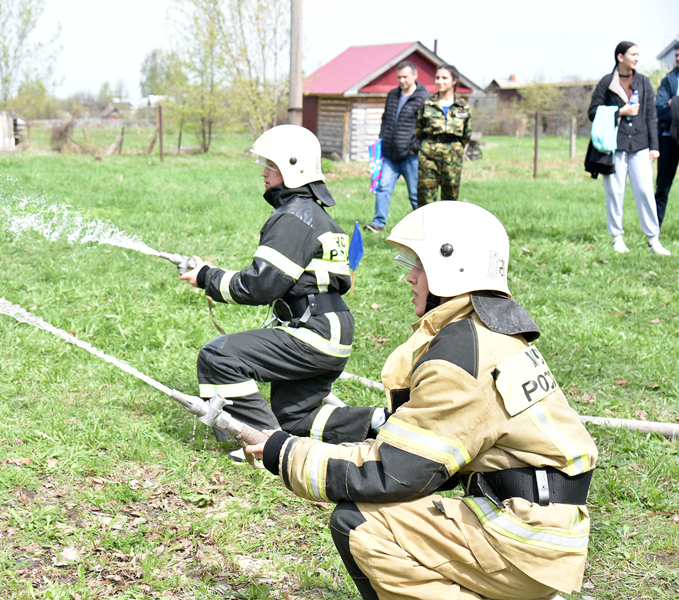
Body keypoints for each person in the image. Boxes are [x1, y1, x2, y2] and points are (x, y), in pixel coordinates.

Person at [246, 202, 598, 600]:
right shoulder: (492, 335)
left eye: (420, 266)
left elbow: (395, 473)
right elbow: (426, 461)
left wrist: (286, 452)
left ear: (454, 268)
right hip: (542, 531)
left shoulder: (462, 356)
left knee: (360, 523)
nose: (410, 278)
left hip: (523, 540)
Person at [180, 125, 378, 459]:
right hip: (331, 329)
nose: (264, 172)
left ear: (292, 167)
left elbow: (261, 285)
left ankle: (261, 445)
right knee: (295, 417)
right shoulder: (316, 216)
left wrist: (207, 277)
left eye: (270, 165)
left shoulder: (294, 217)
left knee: (219, 356)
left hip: (313, 332)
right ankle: (376, 423)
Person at [588, 41, 669, 255]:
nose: (637, 58)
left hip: (641, 145)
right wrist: (620, 112)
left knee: (645, 192)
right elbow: (592, 112)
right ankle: (617, 238)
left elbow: (651, 115)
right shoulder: (607, 82)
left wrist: (655, 146)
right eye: (633, 54)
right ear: (620, 57)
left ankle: (653, 239)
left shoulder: (643, 82)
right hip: (615, 147)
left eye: (638, 54)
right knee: (615, 192)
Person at [366, 61, 430, 233]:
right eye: (399, 77)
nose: (402, 80)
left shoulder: (423, 97)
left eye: (405, 77)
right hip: (390, 154)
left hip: (410, 156)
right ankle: (378, 223)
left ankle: (423, 227)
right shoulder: (393, 95)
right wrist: (382, 140)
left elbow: (426, 127)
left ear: (415, 76)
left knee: (415, 193)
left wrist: (414, 148)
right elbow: (386, 119)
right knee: (383, 187)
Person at [416, 64, 471, 205]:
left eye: (444, 78)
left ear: (454, 81)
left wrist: (454, 147)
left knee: (450, 198)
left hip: (453, 156)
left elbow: (466, 134)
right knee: (425, 198)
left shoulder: (463, 106)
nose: (440, 81)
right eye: (437, 78)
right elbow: (419, 130)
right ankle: (426, 227)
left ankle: (447, 227)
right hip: (429, 156)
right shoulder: (428, 104)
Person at [654, 42, 679, 229]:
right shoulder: (668, 80)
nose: (677, 58)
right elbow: (661, 108)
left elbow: (670, 106)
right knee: (662, 187)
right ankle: (655, 230)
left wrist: (675, 103)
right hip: (667, 137)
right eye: (676, 55)